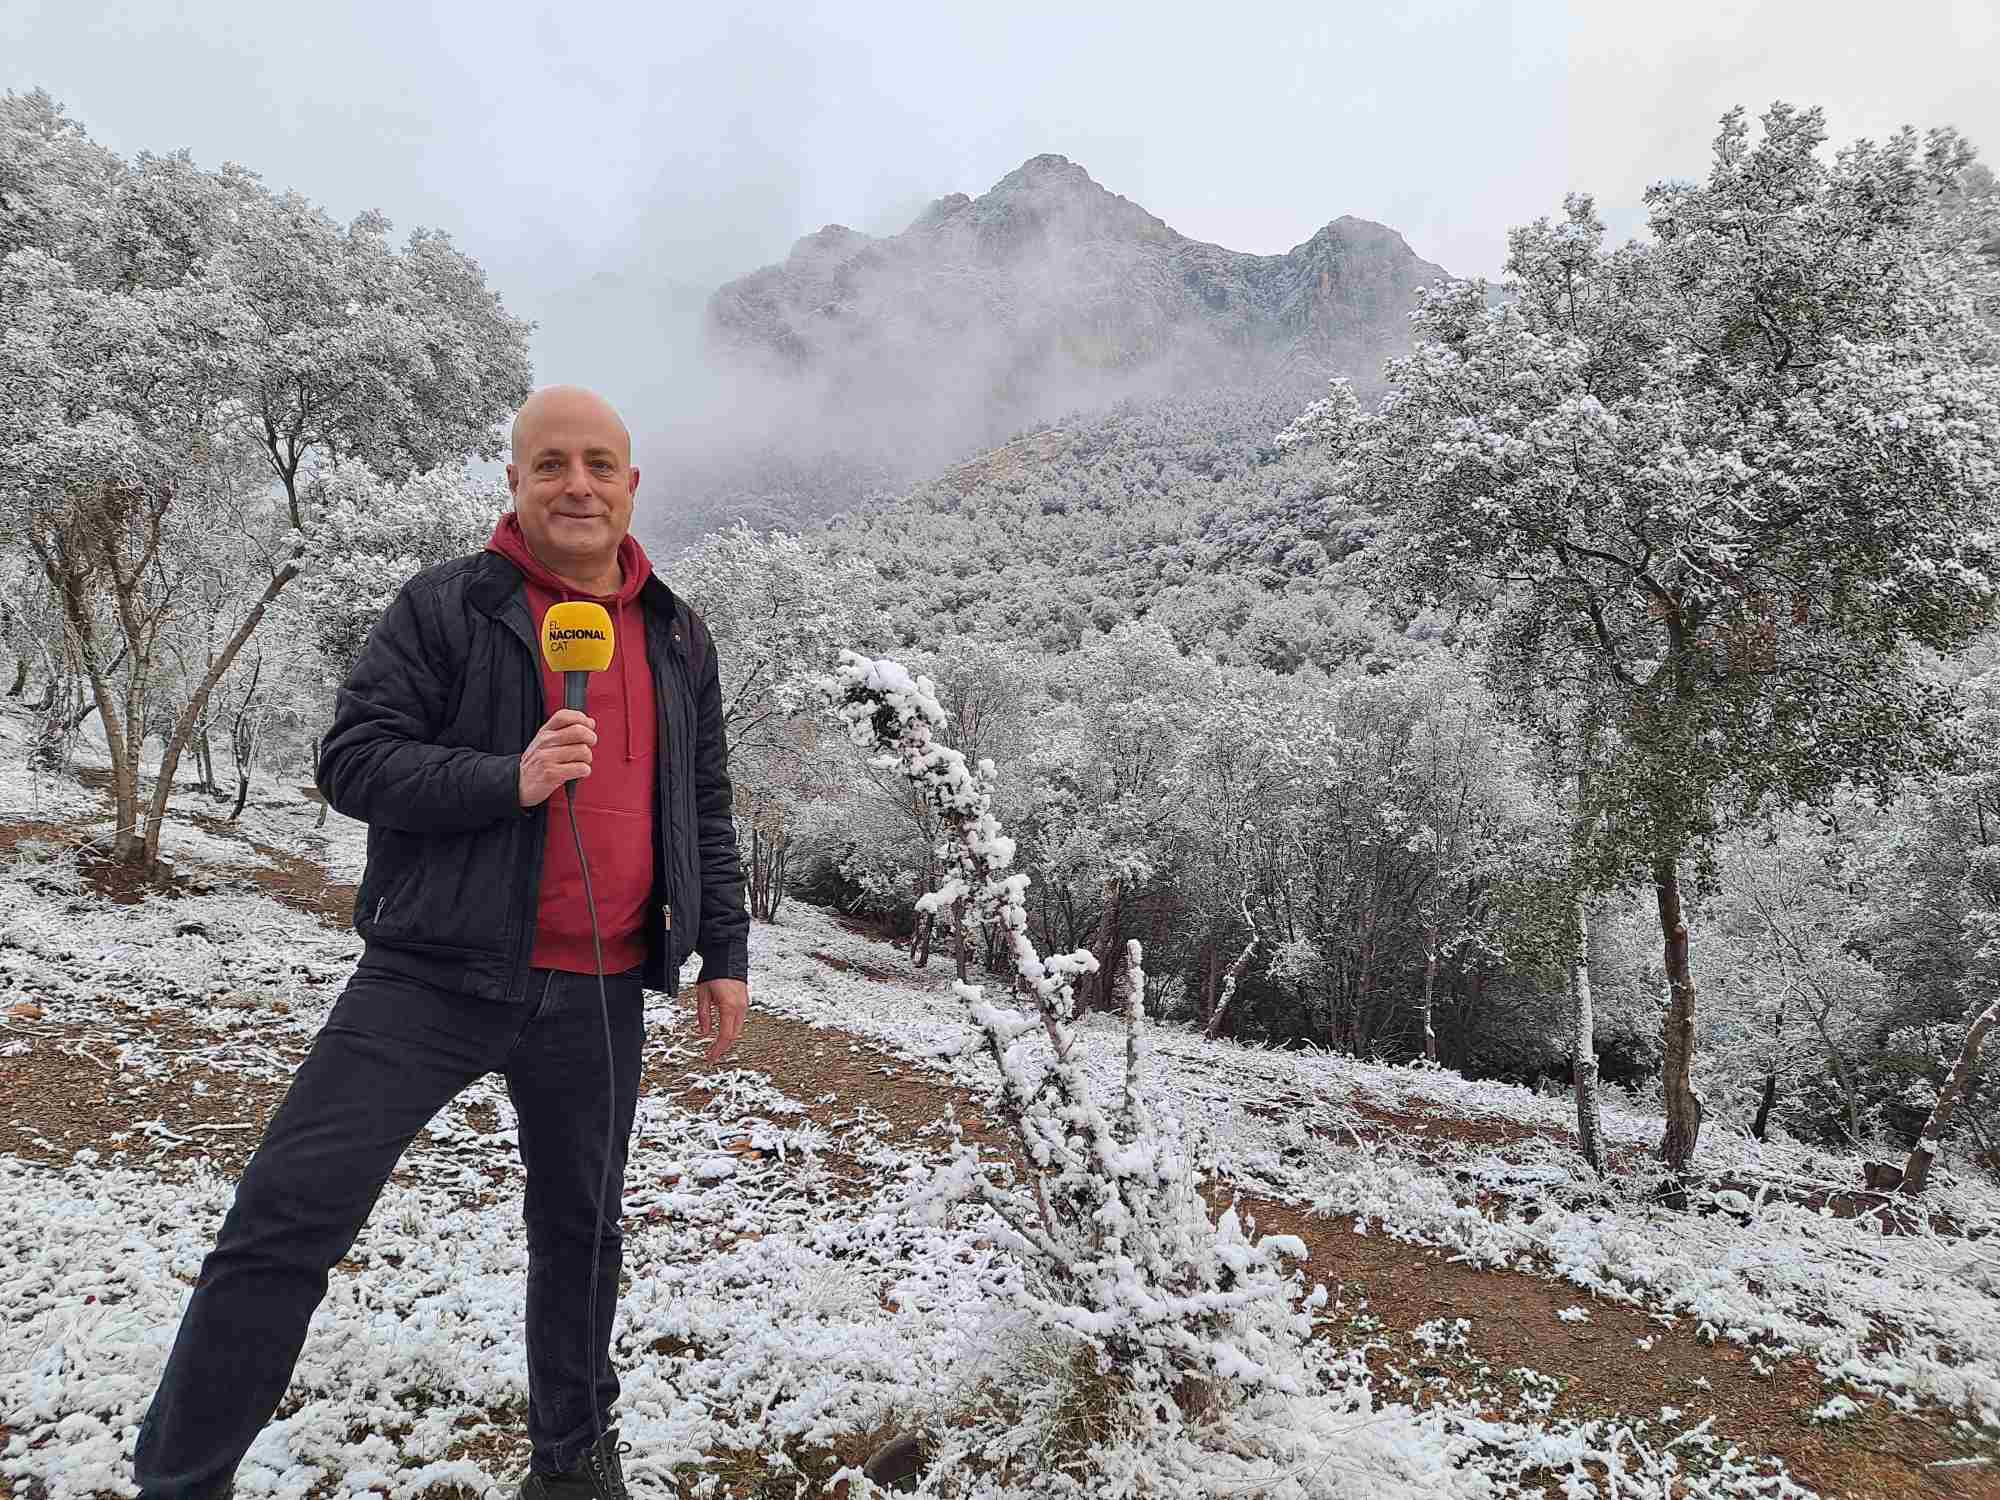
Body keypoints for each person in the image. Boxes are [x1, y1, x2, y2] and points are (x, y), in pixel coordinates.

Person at [132, 386, 752, 1500]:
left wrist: (724, 952)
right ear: (513, 482)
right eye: (551, 463)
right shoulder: (446, 607)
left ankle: (571, 1466)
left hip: (602, 988)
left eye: (599, 464)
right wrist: (506, 779)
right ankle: (180, 1480)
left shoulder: (676, 630)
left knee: (582, 1237)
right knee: (283, 1220)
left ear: (630, 484)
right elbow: (354, 760)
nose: (577, 484)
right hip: (430, 975)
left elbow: (701, 797)